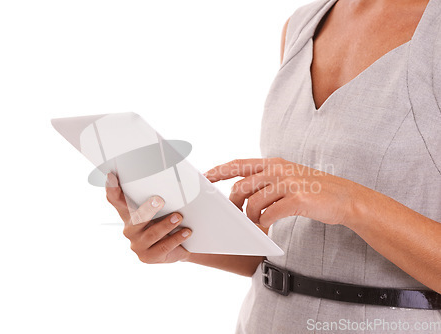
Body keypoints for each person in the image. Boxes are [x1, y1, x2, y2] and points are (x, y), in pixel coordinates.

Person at [105, 0, 441, 332]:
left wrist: (352, 202)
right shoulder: (303, 24)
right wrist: (178, 239)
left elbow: (343, 210)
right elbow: (295, 254)